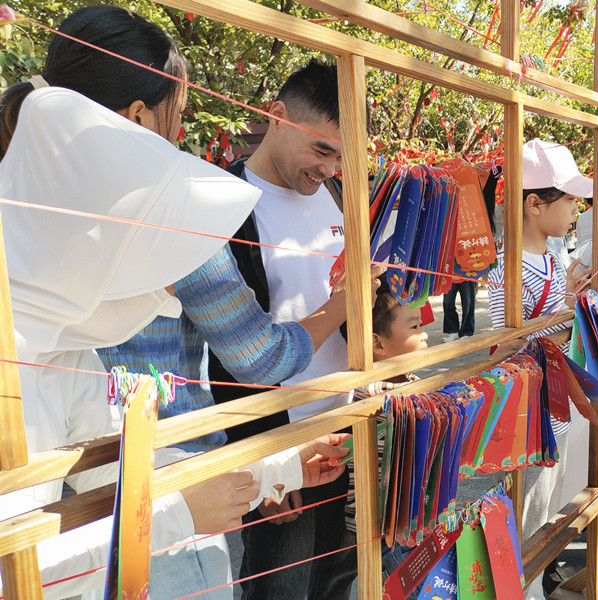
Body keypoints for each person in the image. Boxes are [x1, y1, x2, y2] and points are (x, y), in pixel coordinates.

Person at [0, 6, 348, 598]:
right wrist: (180, 515)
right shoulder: (23, 363)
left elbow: (116, 451)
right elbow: (23, 563)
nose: (165, 288)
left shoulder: (69, 349)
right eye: (178, 116)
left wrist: (276, 466)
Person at [206, 59, 357, 600]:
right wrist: (264, 460)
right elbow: (227, 352)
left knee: (338, 582)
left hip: (345, 429)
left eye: (342, 156)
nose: (329, 168)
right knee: (280, 588)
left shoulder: (338, 197)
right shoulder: (226, 205)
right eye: (321, 150)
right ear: (275, 116)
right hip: (281, 442)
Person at [487, 138, 591, 600]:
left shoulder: (552, 258)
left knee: (544, 515)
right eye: (568, 199)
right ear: (534, 204)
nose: (575, 209)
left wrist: (572, 304)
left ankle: (531, 588)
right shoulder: (507, 269)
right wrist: (566, 321)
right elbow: (506, 350)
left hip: (554, 410)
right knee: (526, 521)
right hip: (528, 419)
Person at [442, 277, 477, 342]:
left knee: (468, 305)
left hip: (468, 276)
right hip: (450, 276)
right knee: (448, 303)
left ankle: (466, 332)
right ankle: (452, 331)